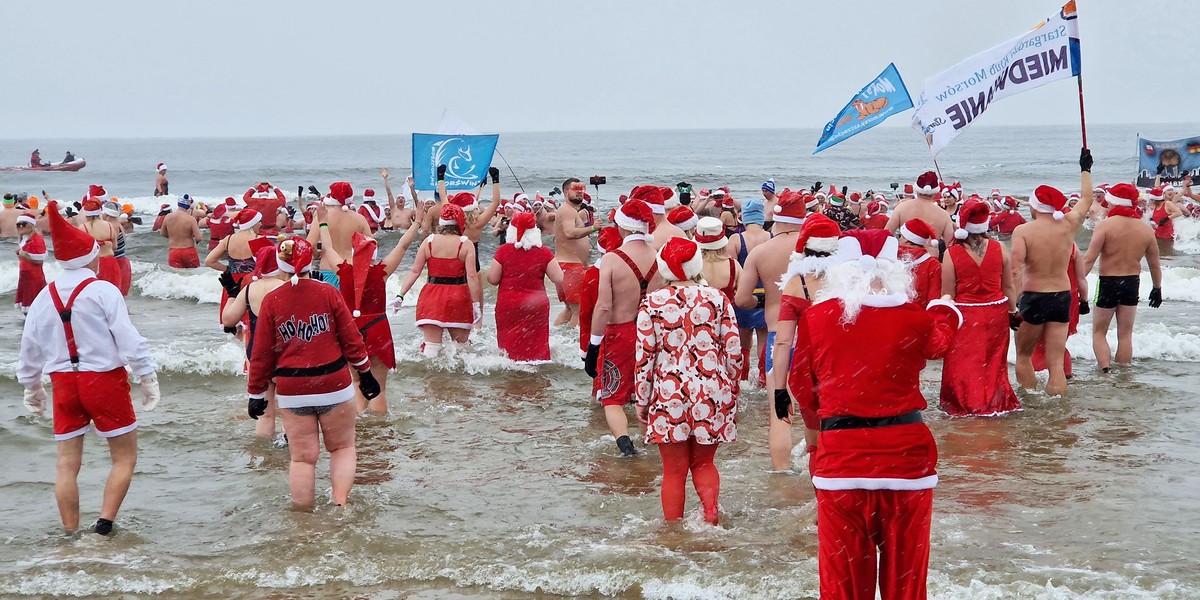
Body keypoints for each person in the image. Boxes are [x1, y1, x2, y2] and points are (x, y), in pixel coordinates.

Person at [788, 229, 961, 600]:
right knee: (907, 584)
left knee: (843, 585)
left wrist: (821, 432)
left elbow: (802, 386)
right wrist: (945, 309)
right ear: (894, 268)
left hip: (842, 464)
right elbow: (941, 344)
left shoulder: (818, 318)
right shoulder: (914, 317)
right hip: (906, 463)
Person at [17, 201, 161, 535]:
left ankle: (70, 534)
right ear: (90, 257)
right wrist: (146, 374)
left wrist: (31, 386)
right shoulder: (102, 290)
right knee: (124, 458)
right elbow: (128, 338)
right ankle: (104, 526)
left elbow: (30, 346)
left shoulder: (44, 297)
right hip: (104, 381)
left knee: (66, 465)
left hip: (63, 385)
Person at [246, 236, 380, 510]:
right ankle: (340, 504)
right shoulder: (328, 293)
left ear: (280, 263)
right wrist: (365, 373)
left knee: (302, 459)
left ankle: (304, 518)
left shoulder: (272, 300)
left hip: (292, 389)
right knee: (342, 448)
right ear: (311, 262)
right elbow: (351, 338)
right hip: (333, 381)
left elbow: (261, 354)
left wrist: (256, 393)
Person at [634, 237, 741, 525]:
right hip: (712, 389)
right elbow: (733, 349)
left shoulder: (652, 303)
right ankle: (710, 513)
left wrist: (642, 401)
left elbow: (645, 357)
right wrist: (732, 386)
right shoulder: (718, 299)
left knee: (673, 470)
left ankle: (673, 531)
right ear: (696, 264)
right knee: (705, 462)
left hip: (669, 392)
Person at [317, 203, 424, 415]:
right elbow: (402, 246)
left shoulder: (343, 271)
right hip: (377, 328)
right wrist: (418, 222)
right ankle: (379, 428)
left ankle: (360, 426)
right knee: (380, 388)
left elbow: (328, 248)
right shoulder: (380, 272)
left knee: (357, 383)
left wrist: (322, 222)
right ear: (373, 254)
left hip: (351, 330)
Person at [1011, 149, 1096, 396]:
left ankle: (1032, 404)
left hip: (1034, 296)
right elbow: (1087, 199)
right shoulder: (1068, 225)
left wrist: (1013, 306)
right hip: (1061, 296)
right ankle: (1057, 403)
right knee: (1056, 362)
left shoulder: (1023, 231)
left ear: (1035, 207)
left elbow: (1015, 271)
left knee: (1024, 356)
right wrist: (1086, 169)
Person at [735, 190, 809, 471]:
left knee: (780, 414)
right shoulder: (819, 249)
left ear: (775, 217)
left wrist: (762, 299)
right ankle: (822, 471)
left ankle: (781, 475)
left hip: (780, 334)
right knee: (821, 411)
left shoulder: (761, 252)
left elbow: (742, 299)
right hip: (816, 334)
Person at [585, 199, 661, 457]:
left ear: (624, 228)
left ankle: (626, 446)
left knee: (613, 398)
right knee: (647, 392)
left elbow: (603, 307)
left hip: (620, 333)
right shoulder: (659, 257)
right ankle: (650, 440)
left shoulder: (612, 259)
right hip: (651, 333)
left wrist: (593, 344)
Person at [939, 200, 1020, 417]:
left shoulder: (951, 254)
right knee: (993, 362)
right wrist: (1013, 312)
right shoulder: (1000, 248)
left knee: (963, 362)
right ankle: (993, 402)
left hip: (965, 315)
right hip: (996, 313)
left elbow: (947, 294)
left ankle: (968, 403)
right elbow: (1009, 286)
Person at [773, 214, 841, 459]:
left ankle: (822, 492)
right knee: (847, 439)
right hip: (845, 366)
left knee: (816, 444)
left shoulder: (796, 283)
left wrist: (780, 390)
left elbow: (783, 342)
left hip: (810, 368)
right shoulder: (853, 280)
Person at [1081, 182, 1163, 372]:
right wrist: (1157, 288)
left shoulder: (1105, 226)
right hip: (1132, 283)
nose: (1106, 206)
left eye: (1108, 202)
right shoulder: (1145, 229)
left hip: (1108, 282)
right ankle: (1124, 374)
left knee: (1099, 332)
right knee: (1125, 334)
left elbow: (1088, 260)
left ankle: (1106, 371)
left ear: (1115, 203)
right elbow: (1154, 264)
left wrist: (1076, 284)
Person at [396, 204, 479, 358]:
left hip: (431, 297)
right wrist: (476, 305)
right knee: (462, 351)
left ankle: (430, 379)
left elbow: (415, 271)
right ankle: (464, 381)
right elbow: (472, 276)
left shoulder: (429, 241)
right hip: (458, 297)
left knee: (431, 350)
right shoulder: (465, 244)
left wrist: (400, 295)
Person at [222, 246, 287, 438]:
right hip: (285, 352)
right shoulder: (287, 287)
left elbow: (228, 320)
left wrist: (232, 294)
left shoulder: (250, 289)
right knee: (289, 412)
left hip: (257, 352)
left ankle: (262, 457)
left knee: (264, 415)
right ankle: (287, 452)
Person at [486, 212, 564, 363]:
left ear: (512, 230)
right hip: (535, 305)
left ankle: (512, 374)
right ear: (534, 230)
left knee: (509, 348)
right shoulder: (543, 252)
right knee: (535, 348)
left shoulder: (504, 251)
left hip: (509, 305)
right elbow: (558, 277)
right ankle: (534, 375)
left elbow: (492, 279)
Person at [726, 199, 772, 387]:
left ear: (743, 217)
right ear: (761, 217)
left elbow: (730, 269)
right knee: (764, 339)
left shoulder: (736, 239)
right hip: (767, 295)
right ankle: (763, 379)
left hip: (744, 295)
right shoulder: (771, 237)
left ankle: (742, 379)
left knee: (743, 343)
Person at [578, 226, 623, 402]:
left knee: (604, 385)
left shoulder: (592, 275)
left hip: (602, 336)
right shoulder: (629, 271)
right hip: (629, 333)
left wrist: (585, 348)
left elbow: (586, 314)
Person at [554, 177, 604, 327]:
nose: (579, 193)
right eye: (575, 190)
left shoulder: (571, 211)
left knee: (570, 309)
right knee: (579, 310)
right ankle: (574, 343)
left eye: (581, 190)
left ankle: (557, 336)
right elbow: (569, 233)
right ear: (565, 191)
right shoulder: (566, 210)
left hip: (567, 266)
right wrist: (593, 228)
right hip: (570, 267)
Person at [307, 182, 371, 287]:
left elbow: (309, 245)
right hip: (350, 269)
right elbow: (370, 248)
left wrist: (316, 254)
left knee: (329, 302)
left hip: (328, 268)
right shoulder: (360, 219)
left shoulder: (321, 217)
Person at [206, 209, 264, 325]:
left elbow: (209, 261)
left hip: (233, 283)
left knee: (233, 320)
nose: (261, 224)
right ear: (252, 223)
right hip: (251, 282)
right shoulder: (258, 240)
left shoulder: (228, 239)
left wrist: (228, 269)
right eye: (259, 221)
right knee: (251, 322)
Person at [887, 171, 956, 243]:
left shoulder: (901, 207)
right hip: (930, 253)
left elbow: (886, 234)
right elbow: (950, 244)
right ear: (935, 192)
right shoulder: (943, 215)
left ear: (916, 189)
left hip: (905, 251)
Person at [78, 187, 121, 289]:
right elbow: (115, 246)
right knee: (113, 294)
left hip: (94, 265)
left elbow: (81, 250)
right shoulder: (109, 225)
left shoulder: (83, 228)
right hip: (110, 263)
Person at [896, 218, 942, 307]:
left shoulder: (891, 257)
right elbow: (933, 298)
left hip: (893, 313)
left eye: (900, 236)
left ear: (906, 239)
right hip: (920, 314)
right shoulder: (933, 264)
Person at [695, 217, 738, 303]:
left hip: (699, 314)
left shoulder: (693, 266)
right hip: (727, 314)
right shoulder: (733, 264)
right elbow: (742, 297)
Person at [14, 215, 47, 314]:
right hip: (25, 276)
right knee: (29, 307)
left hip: (33, 277)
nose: (20, 226)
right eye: (18, 224)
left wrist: (23, 255)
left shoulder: (36, 240)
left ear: (31, 225)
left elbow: (40, 260)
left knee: (34, 307)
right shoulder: (25, 238)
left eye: (23, 224)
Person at [161, 195, 203, 268]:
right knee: (194, 274)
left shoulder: (168, 217)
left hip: (173, 251)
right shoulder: (190, 219)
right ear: (188, 205)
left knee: (176, 274)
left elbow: (163, 233)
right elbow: (199, 238)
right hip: (188, 250)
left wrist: (172, 236)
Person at [101, 202, 133, 296]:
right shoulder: (118, 224)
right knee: (120, 296)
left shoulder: (112, 226)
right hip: (122, 261)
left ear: (107, 215)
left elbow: (112, 247)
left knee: (113, 295)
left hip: (117, 263)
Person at [1147, 185, 1183, 255]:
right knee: (1158, 255)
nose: (1151, 201)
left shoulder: (1167, 204)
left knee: (1166, 255)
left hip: (1168, 236)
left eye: (1152, 200)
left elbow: (1179, 213)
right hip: (1158, 234)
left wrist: (1167, 218)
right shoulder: (1156, 207)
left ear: (1156, 199)